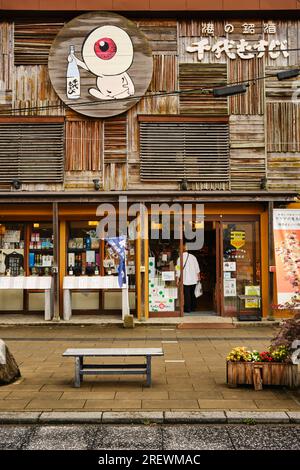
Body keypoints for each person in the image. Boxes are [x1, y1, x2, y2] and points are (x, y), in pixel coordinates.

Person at [177, 244, 201, 313]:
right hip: (193, 278)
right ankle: (193, 307)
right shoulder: (193, 257)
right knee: (192, 293)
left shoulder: (180, 258)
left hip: (185, 279)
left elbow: (178, 269)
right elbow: (197, 268)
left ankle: (187, 309)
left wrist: (177, 279)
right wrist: (198, 277)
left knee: (186, 294)